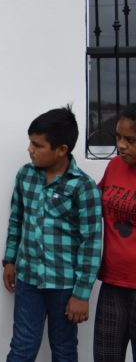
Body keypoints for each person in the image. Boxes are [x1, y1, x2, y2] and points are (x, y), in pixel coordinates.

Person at [2, 106, 102, 362]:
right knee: (22, 348)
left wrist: (81, 294)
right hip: (28, 280)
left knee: (64, 350)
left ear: (61, 150)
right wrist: (9, 260)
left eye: (37, 145)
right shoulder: (26, 175)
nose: (30, 149)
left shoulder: (83, 186)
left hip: (65, 286)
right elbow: (17, 219)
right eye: (30, 142)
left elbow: (91, 242)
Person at [94, 104, 136, 361]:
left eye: (130, 140)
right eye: (118, 137)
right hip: (113, 285)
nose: (121, 145)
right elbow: (93, 204)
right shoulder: (115, 167)